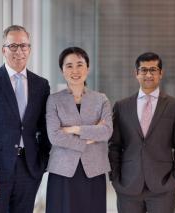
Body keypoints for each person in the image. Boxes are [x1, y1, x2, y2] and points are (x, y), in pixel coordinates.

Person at [0, 25, 50, 213]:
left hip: (28, 171)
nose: (19, 51)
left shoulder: (41, 84)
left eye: (24, 45)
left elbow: (44, 128)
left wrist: (42, 162)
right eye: (13, 46)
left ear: (29, 49)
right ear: (3, 50)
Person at [108, 52, 175, 213]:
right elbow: (114, 146)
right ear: (136, 73)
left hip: (163, 186)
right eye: (143, 70)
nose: (149, 74)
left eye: (153, 69)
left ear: (161, 73)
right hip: (128, 185)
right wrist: (114, 177)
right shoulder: (121, 106)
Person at [45, 47, 113, 213]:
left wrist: (74, 129)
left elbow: (106, 131)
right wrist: (90, 137)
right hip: (63, 171)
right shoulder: (54, 100)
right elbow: (55, 136)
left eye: (79, 65)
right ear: (62, 70)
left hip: (94, 169)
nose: (75, 70)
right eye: (69, 66)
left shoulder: (101, 99)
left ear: (87, 69)